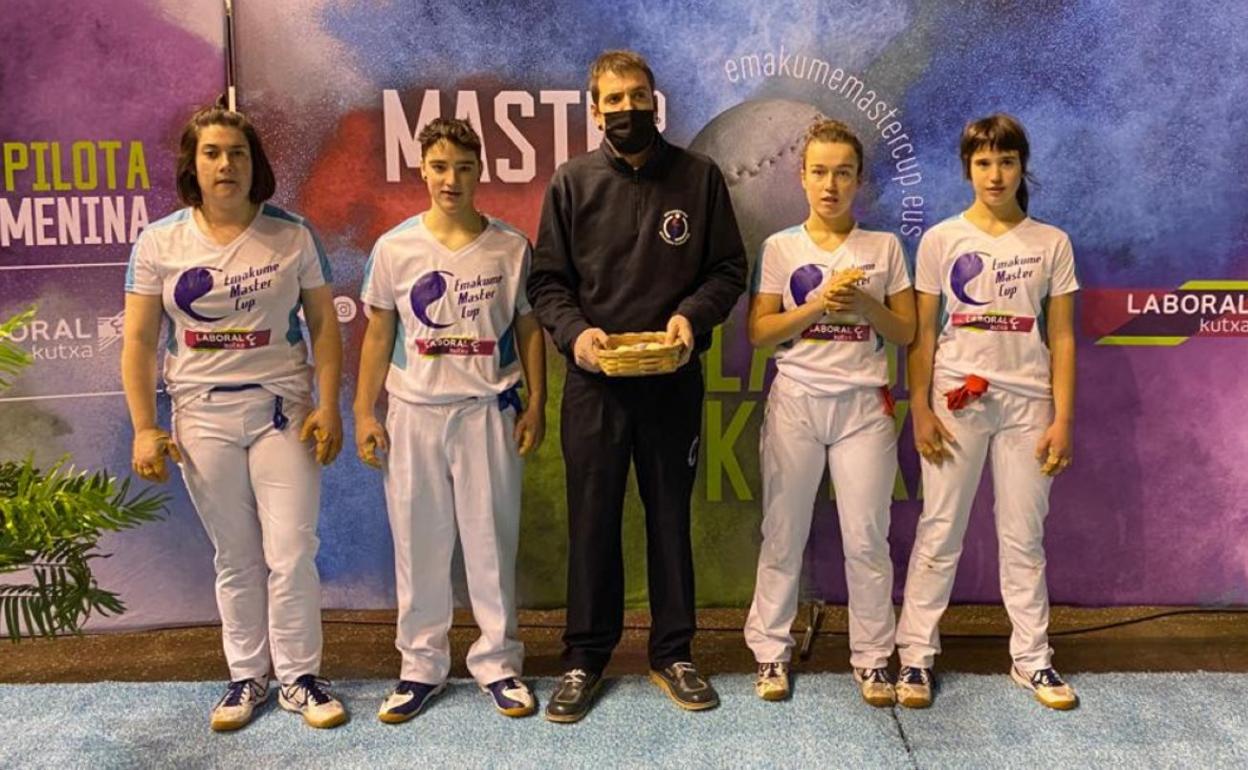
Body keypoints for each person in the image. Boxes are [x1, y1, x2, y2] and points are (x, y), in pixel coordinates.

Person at [528, 49, 747, 723]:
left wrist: (691, 318)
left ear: (656, 102)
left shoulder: (699, 178)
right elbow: (547, 283)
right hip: (594, 384)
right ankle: (583, 657)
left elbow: (728, 269)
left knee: (670, 518)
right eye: (614, 100)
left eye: (638, 97)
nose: (628, 109)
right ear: (595, 111)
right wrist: (576, 336)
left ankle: (673, 652)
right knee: (592, 520)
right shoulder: (572, 183)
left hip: (670, 380)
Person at [121, 106, 346, 731]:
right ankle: (247, 676)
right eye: (213, 153)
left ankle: (300, 677)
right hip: (200, 415)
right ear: (193, 165)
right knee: (237, 556)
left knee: (292, 550)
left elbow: (324, 326)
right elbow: (138, 341)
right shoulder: (159, 242)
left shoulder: (292, 235)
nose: (226, 164)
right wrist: (144, 426)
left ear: (255, 163)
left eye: (238, 153)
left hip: (282, 411)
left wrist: (329, 404)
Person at [354, 118, 546, 723]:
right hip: (413, 414)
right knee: (418, 544)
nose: (451, 180)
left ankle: (499, 664)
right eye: (439, 167)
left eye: (463, 168)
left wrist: (538, 402)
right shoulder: (395, 248)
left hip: (488, 411)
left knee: (491, 542)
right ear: (422, 170)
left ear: (480, 171)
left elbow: (529, 327)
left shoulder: (510, 247)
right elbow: (379, 332)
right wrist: (362, 410)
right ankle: (420, 667)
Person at [894, 113, 1079, 710]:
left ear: (1022, 166)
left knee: (1023, 538)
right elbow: (922, 333)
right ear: (967, 169)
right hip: (957, 403)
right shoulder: (941, 240)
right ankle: (915, 657)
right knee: (940, 529)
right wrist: (920, 408)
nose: (995, 175)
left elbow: (1063, 337)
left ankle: (1033, 660)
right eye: (982, 163)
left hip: (1029, 406)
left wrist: (1062, 419)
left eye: (1006, 162)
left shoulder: (1051, 243)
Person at [743, 119, 915, 705]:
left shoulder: (883, 248)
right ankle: (770, 651)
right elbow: (760, 333)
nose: (830, 185)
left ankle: (873, 659)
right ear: (801, 177)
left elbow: (906, 331)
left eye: (843, 173)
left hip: (863, 408)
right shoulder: (780, 247)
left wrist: (863, 301)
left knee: (866, 538)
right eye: (819, 172)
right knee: (782, 533)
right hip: (796, 402)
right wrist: (818, 304)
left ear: (859, 180)